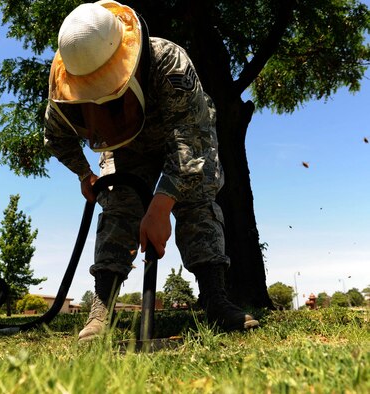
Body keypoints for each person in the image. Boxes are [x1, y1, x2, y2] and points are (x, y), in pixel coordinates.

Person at [44, 0, 259, 342]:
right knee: (118, 205)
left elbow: (190, 140)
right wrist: (85, 175)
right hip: (126, 150)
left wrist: (161, 206)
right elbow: (55, 137)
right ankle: (101, 310)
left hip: (183, 135)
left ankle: (216, 299)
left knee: (197, 196)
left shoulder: (168, 61)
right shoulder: (65, 84)